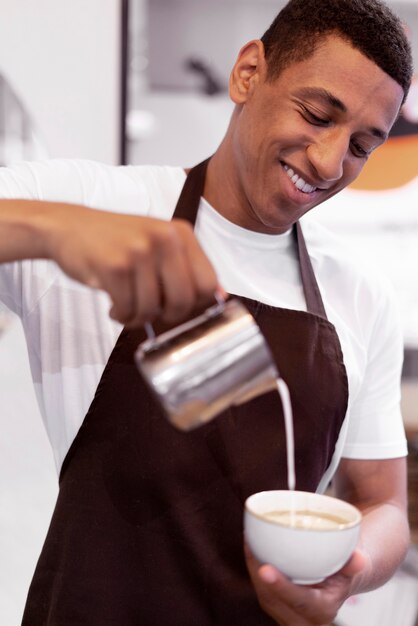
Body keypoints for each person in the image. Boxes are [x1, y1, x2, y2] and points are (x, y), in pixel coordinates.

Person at [0, 0, 413, 624]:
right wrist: (54, 232)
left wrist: (352, 566)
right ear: (248, 73)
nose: (330, 164)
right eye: (316, 115)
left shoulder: (361, 296)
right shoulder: (100, 201)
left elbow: (383, 505)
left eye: (361, 145)